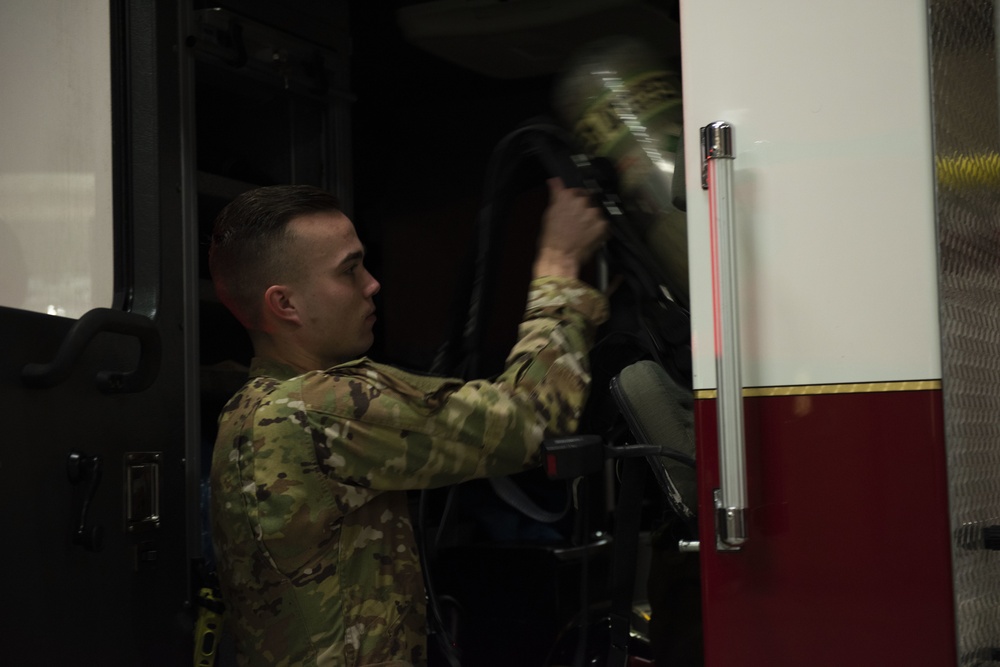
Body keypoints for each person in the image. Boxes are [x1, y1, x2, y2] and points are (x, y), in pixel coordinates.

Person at [208, 180, 609, 666]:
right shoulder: (323, 406)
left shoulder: (247, 407)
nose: (372, 283)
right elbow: (531, 420)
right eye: (349, 270)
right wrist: (558, 264)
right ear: (285, 304)